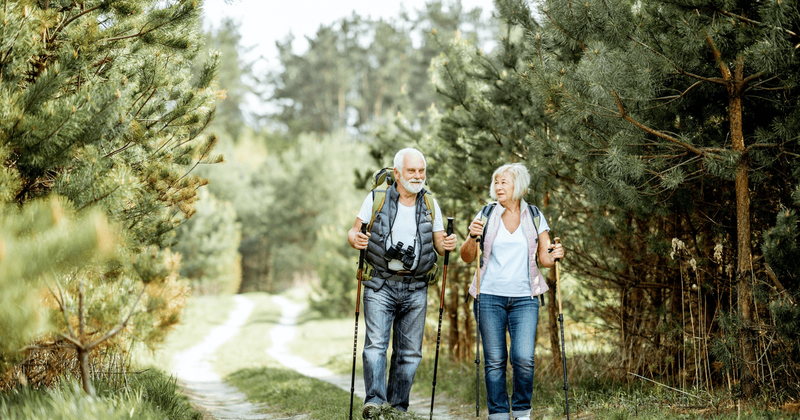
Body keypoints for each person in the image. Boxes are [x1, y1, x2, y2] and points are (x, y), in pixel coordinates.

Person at [348, 148, 457, 418]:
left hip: (417, 286)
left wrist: (448, 243)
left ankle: (397, 408)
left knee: (409, 353)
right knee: (376, 346)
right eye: (412, 171)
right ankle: (374, 403)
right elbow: (354, 231)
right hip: (379, 285)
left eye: (421, 171)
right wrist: (355, 239)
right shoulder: (377, 198)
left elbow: (440, 244)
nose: (418, 176)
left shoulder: (430, 203)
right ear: (397, 173)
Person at [460, 163, 565, 420]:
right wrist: (471, 236)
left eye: (503, 182)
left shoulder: (535, 215)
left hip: (525, 298)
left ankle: (522, 412)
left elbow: (546, 258)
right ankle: (497, 414)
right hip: (489, 296)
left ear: (518, 185)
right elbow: (466, 257)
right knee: (494, 360)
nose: (498, 187)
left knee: (523, 358)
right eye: (496, 183)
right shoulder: (485, 214)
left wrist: (556, 254)